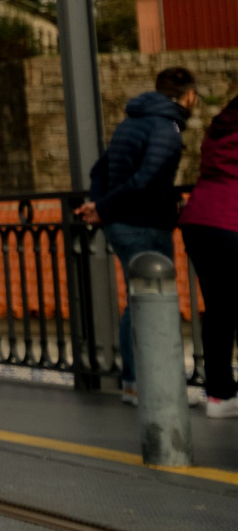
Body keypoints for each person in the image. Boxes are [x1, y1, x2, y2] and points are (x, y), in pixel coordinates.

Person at [78, 67, 198, 399]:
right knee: (155, 301)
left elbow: (99, 169)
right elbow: (147, 179)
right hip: (145, 223)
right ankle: (155, 386)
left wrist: (100, 204)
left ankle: (134, 382)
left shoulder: (131, 122)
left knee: (139, 300)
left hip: (122, 223)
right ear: (188, 97)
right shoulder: (167, 129)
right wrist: (103, 208)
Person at [176, 92, 238, 417]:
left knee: (219, 309)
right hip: (231, 220)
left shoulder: (220, 128)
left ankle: (219, 394)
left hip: (200, 221)